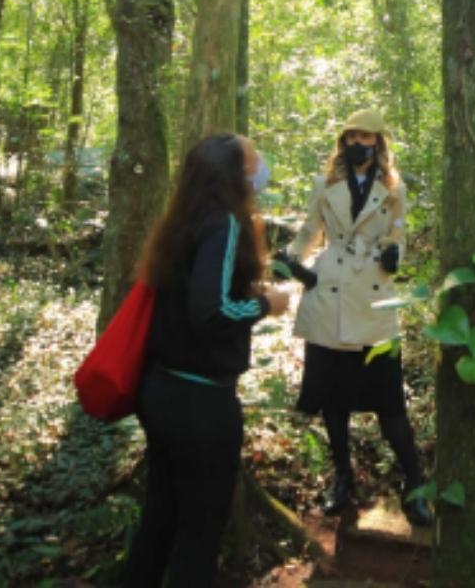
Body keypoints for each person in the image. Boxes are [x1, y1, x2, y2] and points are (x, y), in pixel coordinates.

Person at [123, 133, 291, 588]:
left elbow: (197, 295)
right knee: (200, 532)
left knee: (160, 518)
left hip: (161, 392)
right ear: (232, 177)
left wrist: (242, 293)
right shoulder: (225, 225)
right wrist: (264, 305)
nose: (261, 170)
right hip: (200, 405)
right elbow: (209, 312)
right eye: (254, 162)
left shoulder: (184, 222)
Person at [285, 109, 432, 527]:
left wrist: (393, 255)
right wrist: (294, 263)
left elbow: (397, 237)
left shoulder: (393, 188)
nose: (359, 144)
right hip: (328, 294)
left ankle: (415, 485)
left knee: (391, 405)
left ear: (379, 143)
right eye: (353, 137)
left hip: (372, 301)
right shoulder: (324, 184)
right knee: (334, 404)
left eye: (367, 138)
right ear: (344, 142)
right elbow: (308, 231)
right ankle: (343, 480)